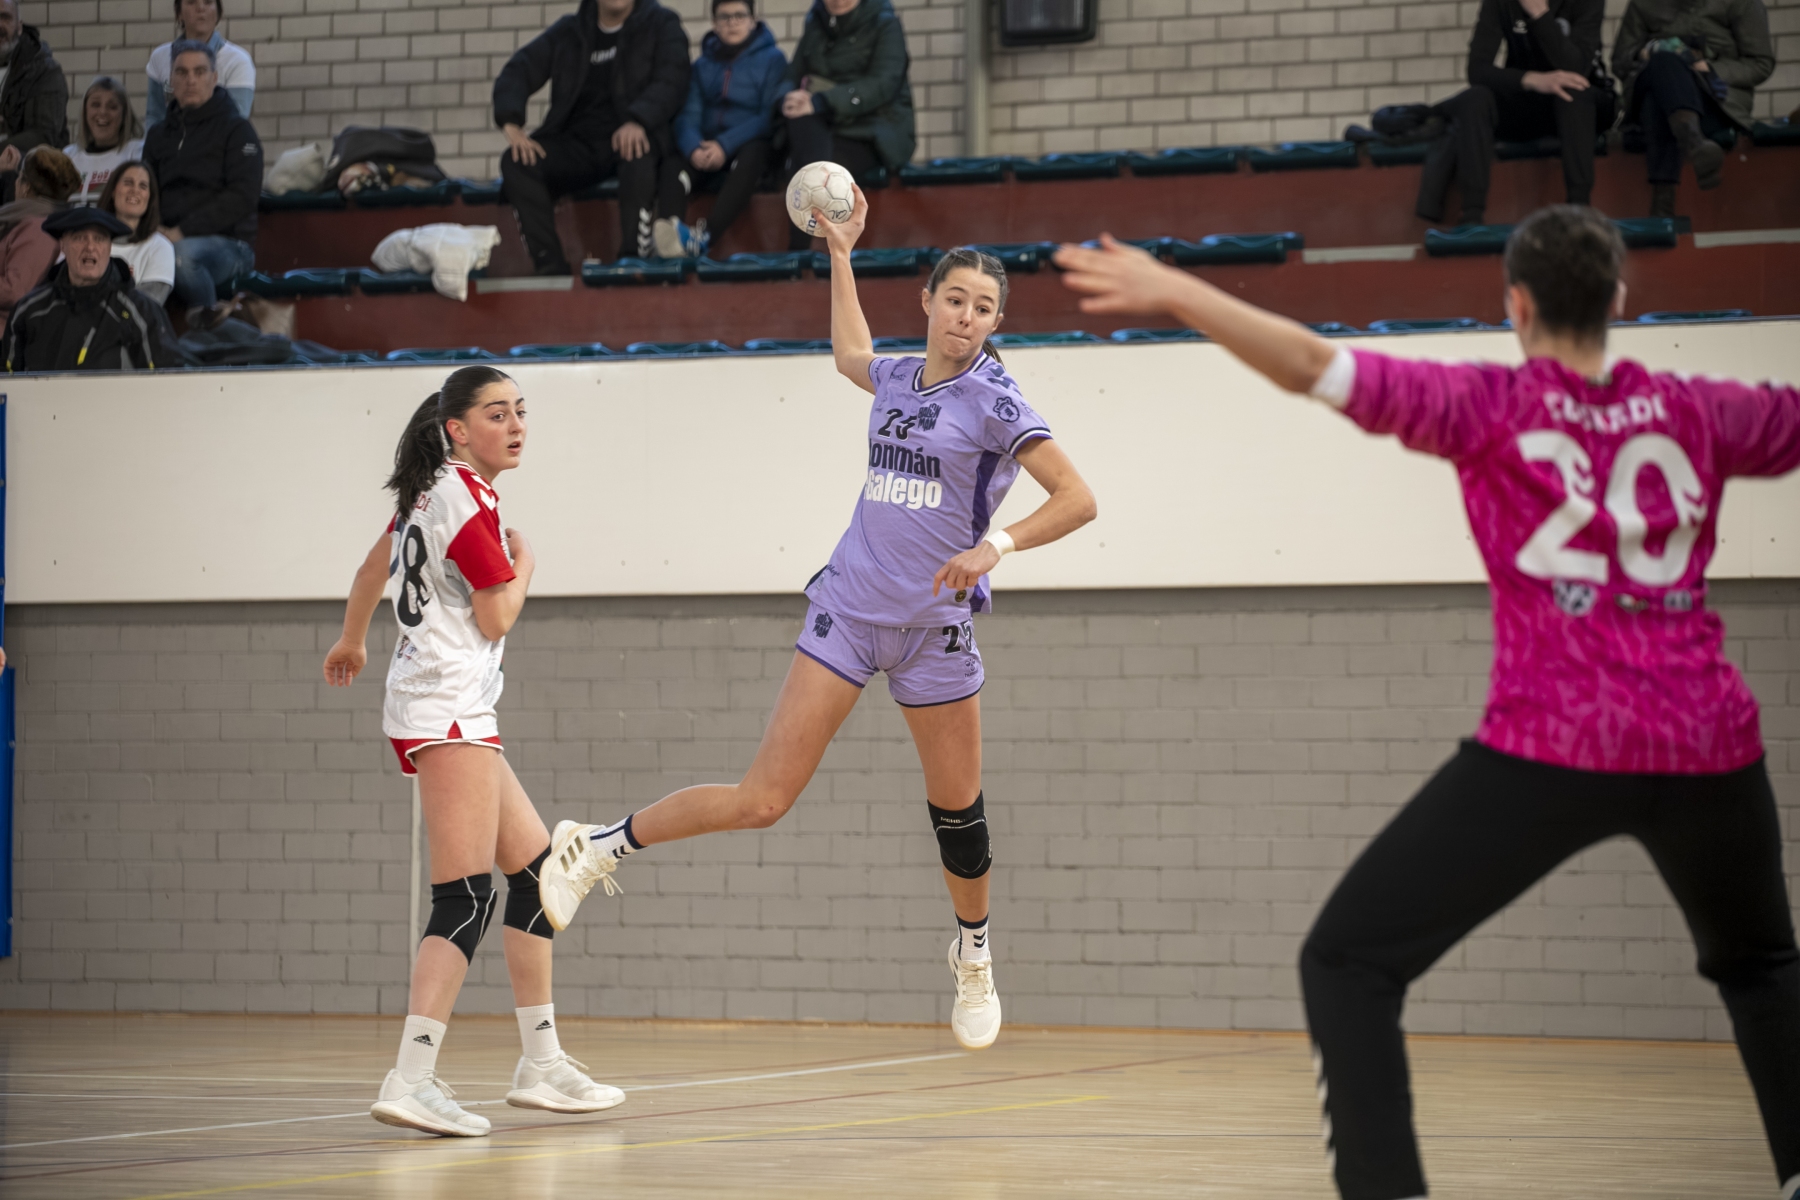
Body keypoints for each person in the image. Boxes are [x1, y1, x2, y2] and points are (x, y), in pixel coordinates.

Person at [1054, 209, 1800, 1200]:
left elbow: (1313, 366)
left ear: (1516, 305)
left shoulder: (1488, 406)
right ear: (1619, 301)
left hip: (1555, 742)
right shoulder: (1702, 411)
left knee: (1348, 963)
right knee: (1762, 968)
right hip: (1709, 742)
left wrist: (1176, 290)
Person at [535, 192, 1098, 1054]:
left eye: (984, 307)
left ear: (995, 322)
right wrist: (841, 253)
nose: (966, 316)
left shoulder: (996, 401)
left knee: (958, 813)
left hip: (934, 631)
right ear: (928, 301)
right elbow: (849, 355)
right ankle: (599, 845)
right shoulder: (897, 378)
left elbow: (1079, 498)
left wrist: (998, 545)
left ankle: (974, 953)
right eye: (955, 299)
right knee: (761, 801)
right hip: (848, 611)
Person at [322, 366, 626, 1138]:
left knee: (537, 874)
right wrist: (526, 568)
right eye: (497, 413)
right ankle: (411, 1078)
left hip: (446, 705)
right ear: (457, 429)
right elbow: (497, 618)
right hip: (448, 709)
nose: (516, 425)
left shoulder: (427, 492)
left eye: (520, 411)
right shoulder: (463, 504)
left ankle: (542, 1063)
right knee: (464, 898)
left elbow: (371, 569)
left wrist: (353, 639)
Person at [494, 0, 691, 273]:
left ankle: (634, 257)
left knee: (637, 152)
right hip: (577, 144)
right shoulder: (570, 30)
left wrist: (639, 119)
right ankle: (550, 265)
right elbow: (520, 68)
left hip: (632, 137)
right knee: (516, 162)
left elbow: (673, 79)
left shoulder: (661, 23)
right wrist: (510, 122)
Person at [1418, 0, 1605, 225]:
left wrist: (1539, 12)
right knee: (1474, 99)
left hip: (1579, 106)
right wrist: (1531, 79)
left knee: (1572, 92)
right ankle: (1472, 216)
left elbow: (1576, 68)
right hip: (1527, 99)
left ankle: (1579, 209)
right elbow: (1477, 69)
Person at [1613, 0, 1773, 216]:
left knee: (1658, 98)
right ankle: (1695, 142)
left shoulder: (1741, 3)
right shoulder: (1643, 4)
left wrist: (1709, 68)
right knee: (1664, 65)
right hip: (1655, 84)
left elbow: (1760, 63)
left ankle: (1663, 200)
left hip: (1713, 100)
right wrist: (1647, 53)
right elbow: (1620, 61)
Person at [779, 0, 915, 251]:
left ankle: (808, 250)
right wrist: (788, 98)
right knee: (801, 127)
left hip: (872, 130)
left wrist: (822, 101)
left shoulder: (885, 23)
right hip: (825, 128)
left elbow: (883, 83)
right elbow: (793, 73)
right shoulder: (816, 22)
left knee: (826, 170)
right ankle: (800, 253)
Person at [659, 0, 787, 257]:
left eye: (740, 15)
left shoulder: (773, 60)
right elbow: (688, 116)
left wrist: (725, 145)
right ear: (714, 24)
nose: (732, 23)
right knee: (673, 164)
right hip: (706, 148)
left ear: (752, 20)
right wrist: (694, 148)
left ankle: (704, 237)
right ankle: (670, 237)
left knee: (756, 152)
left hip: (747, 146)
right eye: (724, 17)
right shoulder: (702, 66)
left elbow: (768, 117)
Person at [142, 39, 261, 311]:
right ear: (171, 80)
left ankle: (209, 328)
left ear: (214, 78)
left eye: (200, 71)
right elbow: (148, 189)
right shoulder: (158, 135)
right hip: (166, 237)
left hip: (229, 244)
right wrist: (155, 229)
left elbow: (242, 196)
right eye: (182, 72)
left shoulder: (238, 130)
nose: (191, 80)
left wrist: (182, 231)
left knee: (181, 258)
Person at [3, 206, 181, 372]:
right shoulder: (29, 309)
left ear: (109, 248)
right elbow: (7, 380)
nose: (90, 247)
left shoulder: (141, 311)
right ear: (63, 246)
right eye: (80, 238)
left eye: (99, 239)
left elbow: (166, 381)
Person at [0, 145, 79, 327]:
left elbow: (16, 290)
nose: (15, 183)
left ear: (26, 187)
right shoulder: (22, 220)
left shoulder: (39, 228)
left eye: (19, 177)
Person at [145, 0, 255, 128]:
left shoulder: (237, 61)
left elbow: (235, 122)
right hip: (169, 138)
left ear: (218, 12)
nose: (201, 8)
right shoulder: (160, 56)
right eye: (191, 2)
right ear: (179, 12)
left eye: (208, 2)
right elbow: (155, 116)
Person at [0, 0, 69, 190]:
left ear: (19, 26)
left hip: (30, 184)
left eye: (5, 17)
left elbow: (43, 136)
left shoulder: (44, 70)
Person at [98, 162, 176, 305]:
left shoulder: (160, 247)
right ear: (113, 191)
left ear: (150, 197)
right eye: (128, 183)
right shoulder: (87, 241)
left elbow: (145, 308)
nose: (135, 190)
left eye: (143, 186)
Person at [65, 77, 146, 204]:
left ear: (124, 114)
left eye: (112, 107)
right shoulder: (69, 156)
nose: (103, 112)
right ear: (85, 111)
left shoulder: (137, 153)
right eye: (95, 105)